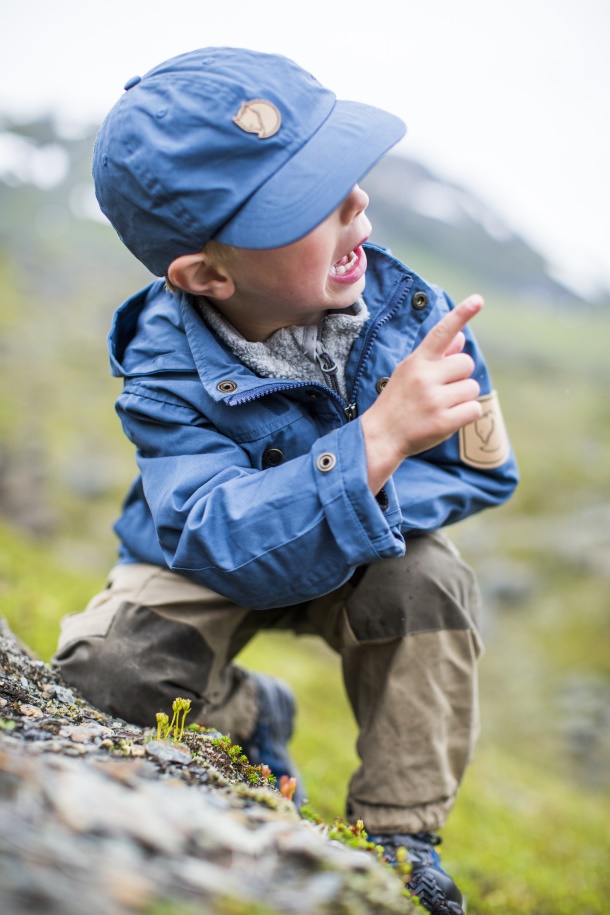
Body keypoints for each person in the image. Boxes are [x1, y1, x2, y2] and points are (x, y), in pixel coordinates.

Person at [54, 47, 518, 914]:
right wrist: (370, 444)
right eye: (306, 204)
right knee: (104, 674)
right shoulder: (162, 370)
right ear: (208, 275)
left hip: (367, 546)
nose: (356, 204)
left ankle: (400, 831)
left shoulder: (413, 313)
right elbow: (209, 528)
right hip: (206, 558)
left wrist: (369, 492)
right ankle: (248, 716)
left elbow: (484, 474)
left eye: (348, 173)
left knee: (430, 582)